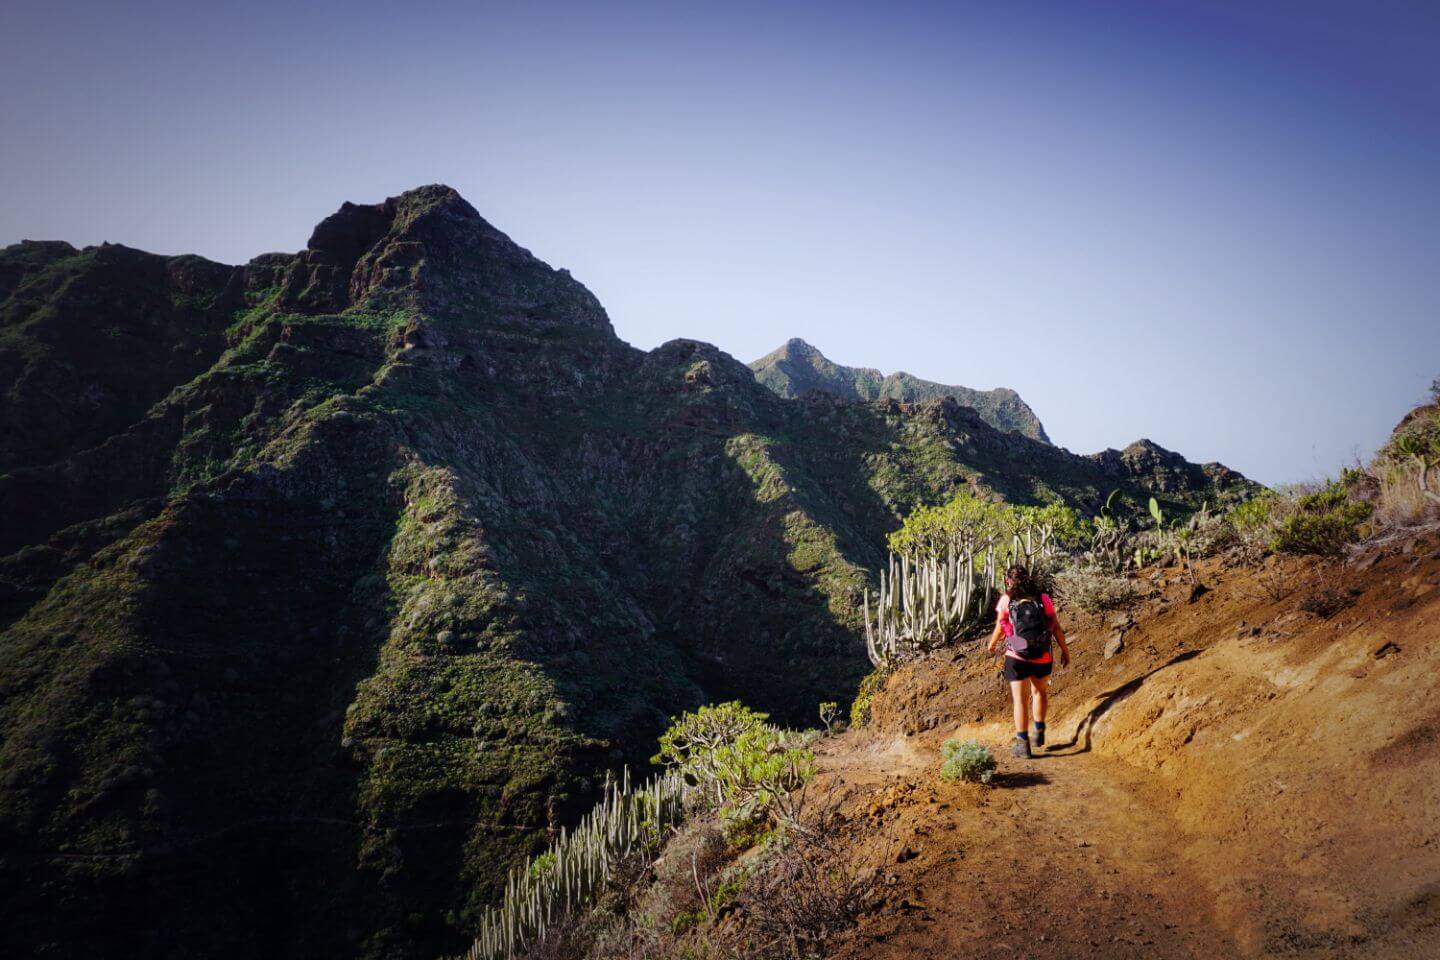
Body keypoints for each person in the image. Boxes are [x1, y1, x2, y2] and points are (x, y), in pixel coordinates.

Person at [986, 564, 1071, 759]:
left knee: (1020, 700)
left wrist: (992, 644)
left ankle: (1023, 744)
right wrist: (1065, 651)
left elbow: (1001, 626)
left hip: (1017, 654)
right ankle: (1039, 731)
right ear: (1028, 579)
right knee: (1039, 691)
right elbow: (1055, 627)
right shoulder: (1043, 599)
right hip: (1043, 654)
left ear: (1008, 581)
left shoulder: (1007, 599)